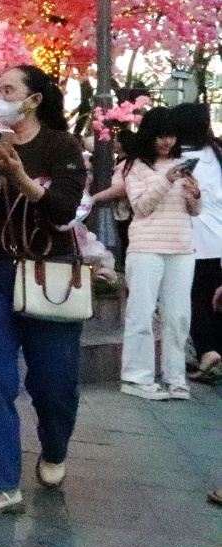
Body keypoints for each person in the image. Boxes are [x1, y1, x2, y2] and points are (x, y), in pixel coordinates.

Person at [0, 64, 89, 519]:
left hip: (51, 271)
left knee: (53, 383)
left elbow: (63, 210)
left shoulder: (62, 146)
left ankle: (54, 445)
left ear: (34, 100)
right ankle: (1, 484)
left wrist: (21, 175)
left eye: (9, 90)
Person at [120, 106, 199, 400]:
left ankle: (175, 377)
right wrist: (167, 179)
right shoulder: (135, 167)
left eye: (171, 136)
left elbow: (193, 211)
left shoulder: (183, 164)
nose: (167, 142)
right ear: (149, 136)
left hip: (181, 247)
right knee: (140, 313)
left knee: (178, 316)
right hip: (146, 247)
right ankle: (135, 377)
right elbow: (140, 207)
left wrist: (194, 193)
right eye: (160, 136)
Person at [175, 102, 222, 384]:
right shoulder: (216, 154)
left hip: (194, 240)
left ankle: (207, 351)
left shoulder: (183, 159)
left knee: (196, 300)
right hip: (219, 238)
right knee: (214, 299)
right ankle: (214, 351)